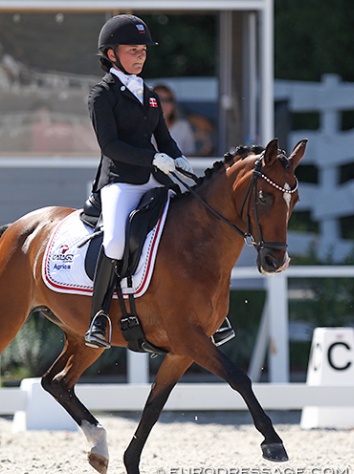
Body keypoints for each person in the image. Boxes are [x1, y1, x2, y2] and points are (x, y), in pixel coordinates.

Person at [85, 14, 234, 349]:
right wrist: (152, 158)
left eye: (143, 50)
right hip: (120, 182)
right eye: (132, 50)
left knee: (190, 227)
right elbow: (110, 146)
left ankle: (216, 315)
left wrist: (177, 157)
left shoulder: (150, 95)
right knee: (115, 243)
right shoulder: (102, 95)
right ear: (112, 54)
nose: (140, 55)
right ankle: (98, 318)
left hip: (155, 181)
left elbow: (163, 138)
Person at [153, 84, 196, 156]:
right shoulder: (141, 127)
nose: (162, 104)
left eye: (167, 100)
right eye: (158, 99)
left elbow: (190, 156)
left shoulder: (183, 127)